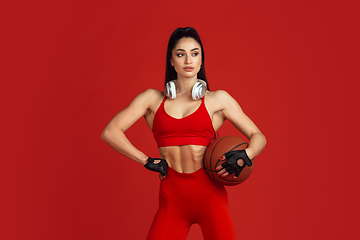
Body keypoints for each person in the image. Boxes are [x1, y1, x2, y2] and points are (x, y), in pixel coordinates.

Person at [101, 27, 266, 240]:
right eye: (181, 54)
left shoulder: (218, 100)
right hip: (172, 199)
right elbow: (110, 132)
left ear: (201, 59)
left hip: (211, 198)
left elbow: (259, 136)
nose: (188, 60)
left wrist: (247, 154)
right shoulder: (152, 99)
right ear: (171, 60)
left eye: (194, 53)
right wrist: (145, 160)